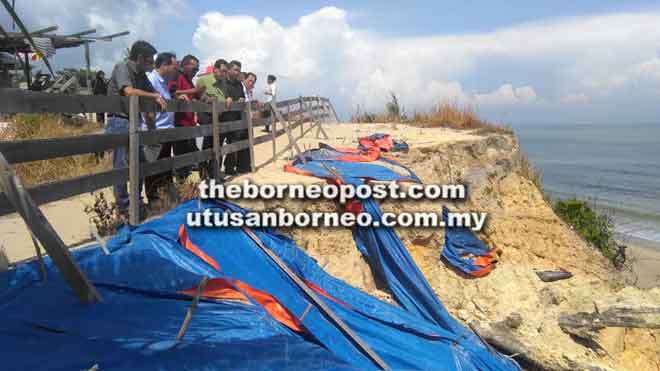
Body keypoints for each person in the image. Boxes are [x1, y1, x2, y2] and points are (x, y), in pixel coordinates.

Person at [106, 40, 166, 218]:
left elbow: (150, 95)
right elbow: (129, 91)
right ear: (139, 58)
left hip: (134, 122)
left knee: (139, 164)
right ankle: (124, 207)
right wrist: (155, 96)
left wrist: (154, 103)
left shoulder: (142, 75)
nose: (151, 65)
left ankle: (136, 203)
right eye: (149, 61)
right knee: (121, 165)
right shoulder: (122, 67)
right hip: (119, 121)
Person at [143, 52, 179, 209]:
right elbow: (145, 105)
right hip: (155, 131)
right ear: (164, 65)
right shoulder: (151, 80)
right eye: (173, 66)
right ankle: (154, 201)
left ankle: (167, 198)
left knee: (164, 166)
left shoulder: (163, 82)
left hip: (165, 131)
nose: (175, 70)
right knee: (153, 168)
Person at [169, 54, 205, 180]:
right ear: (184, 66)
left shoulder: (189, 80)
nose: (196, 72)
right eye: (194, 69)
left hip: (189, 124)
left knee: (189, 159)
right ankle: (181, 185)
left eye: (197, 69)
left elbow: (196, 97)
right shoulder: (176, 75)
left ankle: (185, 185)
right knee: (181, 159)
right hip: (179, 124)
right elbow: (171, 93)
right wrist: (193, 91)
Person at [195, 58, 231, 179]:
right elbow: (196, 96)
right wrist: (206, 99)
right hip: (207, 118)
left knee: (218, 146)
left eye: (226, 72)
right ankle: (204, 175)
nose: (224, 74)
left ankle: (215, 173)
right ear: (215, 69)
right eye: (222, 71)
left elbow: (225, 96)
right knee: (207, 147)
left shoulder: (224, 83)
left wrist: (228, 99)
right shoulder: (203, 80)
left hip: (220, 118)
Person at [222, 60, 248, 175]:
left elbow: (242, 97)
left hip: (236, 118)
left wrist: (241, 100)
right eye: (236, 69)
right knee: (217, 145)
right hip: (222, 118)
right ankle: (213, 172)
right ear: (229, 69)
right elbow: (219, 97)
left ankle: (229, 167)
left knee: (234, 143)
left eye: (239, 70)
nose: (238, 72)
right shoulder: (222, 82)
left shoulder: (239, 84)